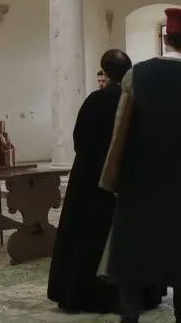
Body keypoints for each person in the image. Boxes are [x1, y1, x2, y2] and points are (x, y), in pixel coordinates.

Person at [98, 7, 181, 323]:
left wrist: (112, 177)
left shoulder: (136, 75)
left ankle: (130, 316)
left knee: (133, 251)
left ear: (166, 37)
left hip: (139, 180)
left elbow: (120, 129)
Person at [47, 49, 164, 314]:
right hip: (130, 180)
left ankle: (85, 293)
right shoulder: (141, 100)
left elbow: (79, 140)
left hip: (92, 181)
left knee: (89, 236)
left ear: (105, 72)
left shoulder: (95, 101)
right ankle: (139, 293)